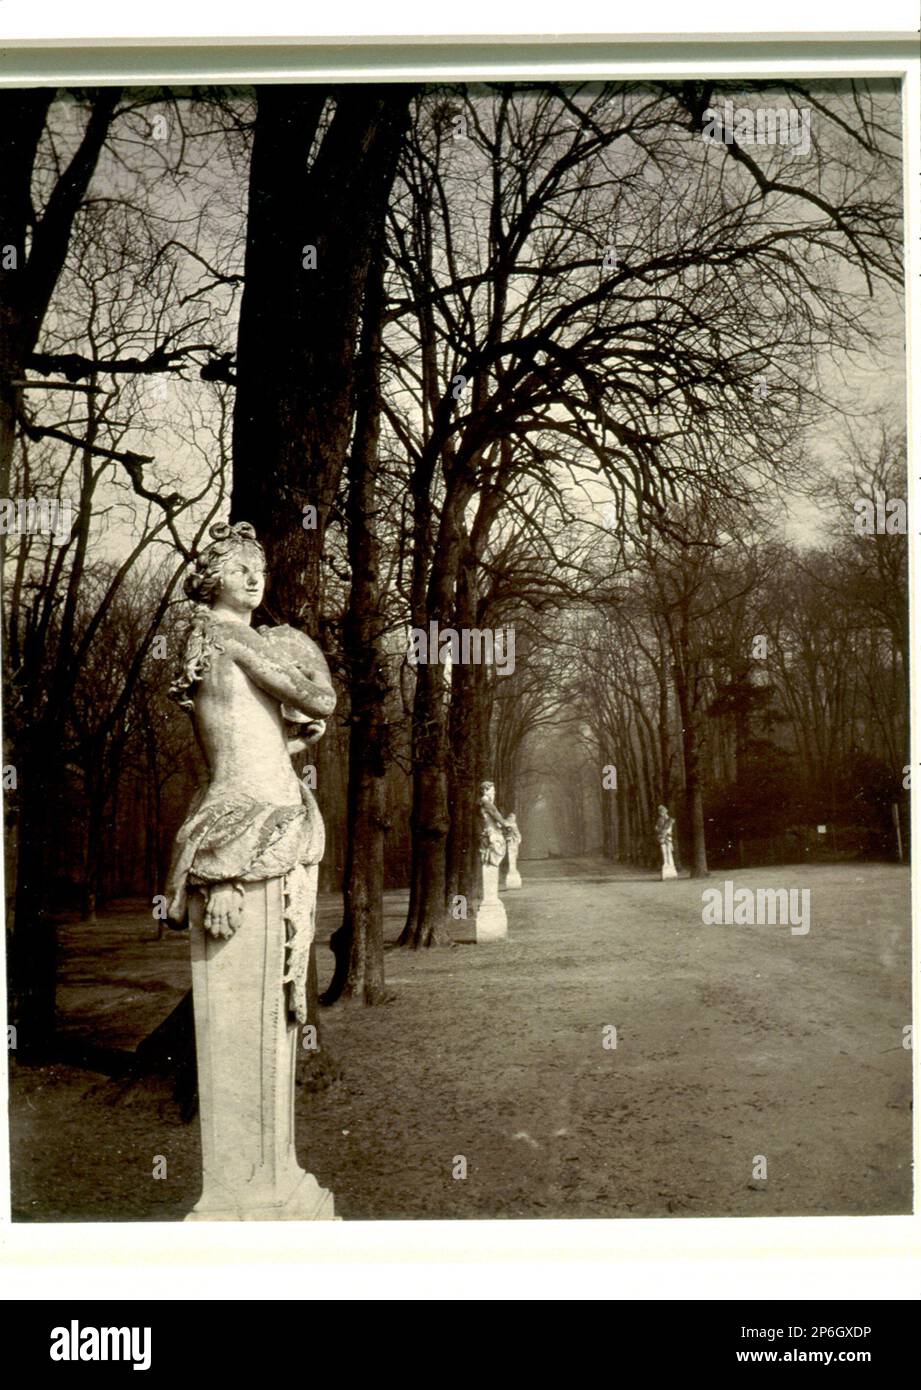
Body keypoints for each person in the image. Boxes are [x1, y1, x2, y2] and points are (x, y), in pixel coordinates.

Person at [165, 520, 335, 1021]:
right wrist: (304, 648)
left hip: (247, 798)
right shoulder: (236, 637)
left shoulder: (205, 637)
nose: (255, 579)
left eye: (259, 570)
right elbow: (320, 699)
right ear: (213, 578)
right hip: (253, 813)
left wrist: (294, 743)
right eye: (240, 569)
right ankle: (224, 878)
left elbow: (243, 742)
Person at [655, 804, 678, 880]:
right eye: (660, 812)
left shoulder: (670, 820)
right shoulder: (659, 820)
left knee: (669, 851)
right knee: (663, 851)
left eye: (662, 811)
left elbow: (669, 829)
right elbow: (658, 828)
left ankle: (670, 864)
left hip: (667, 837)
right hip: (662, 837)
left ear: (665, 812)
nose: (661, 813)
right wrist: (658, 830)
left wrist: (666, 832)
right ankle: (665, 864)